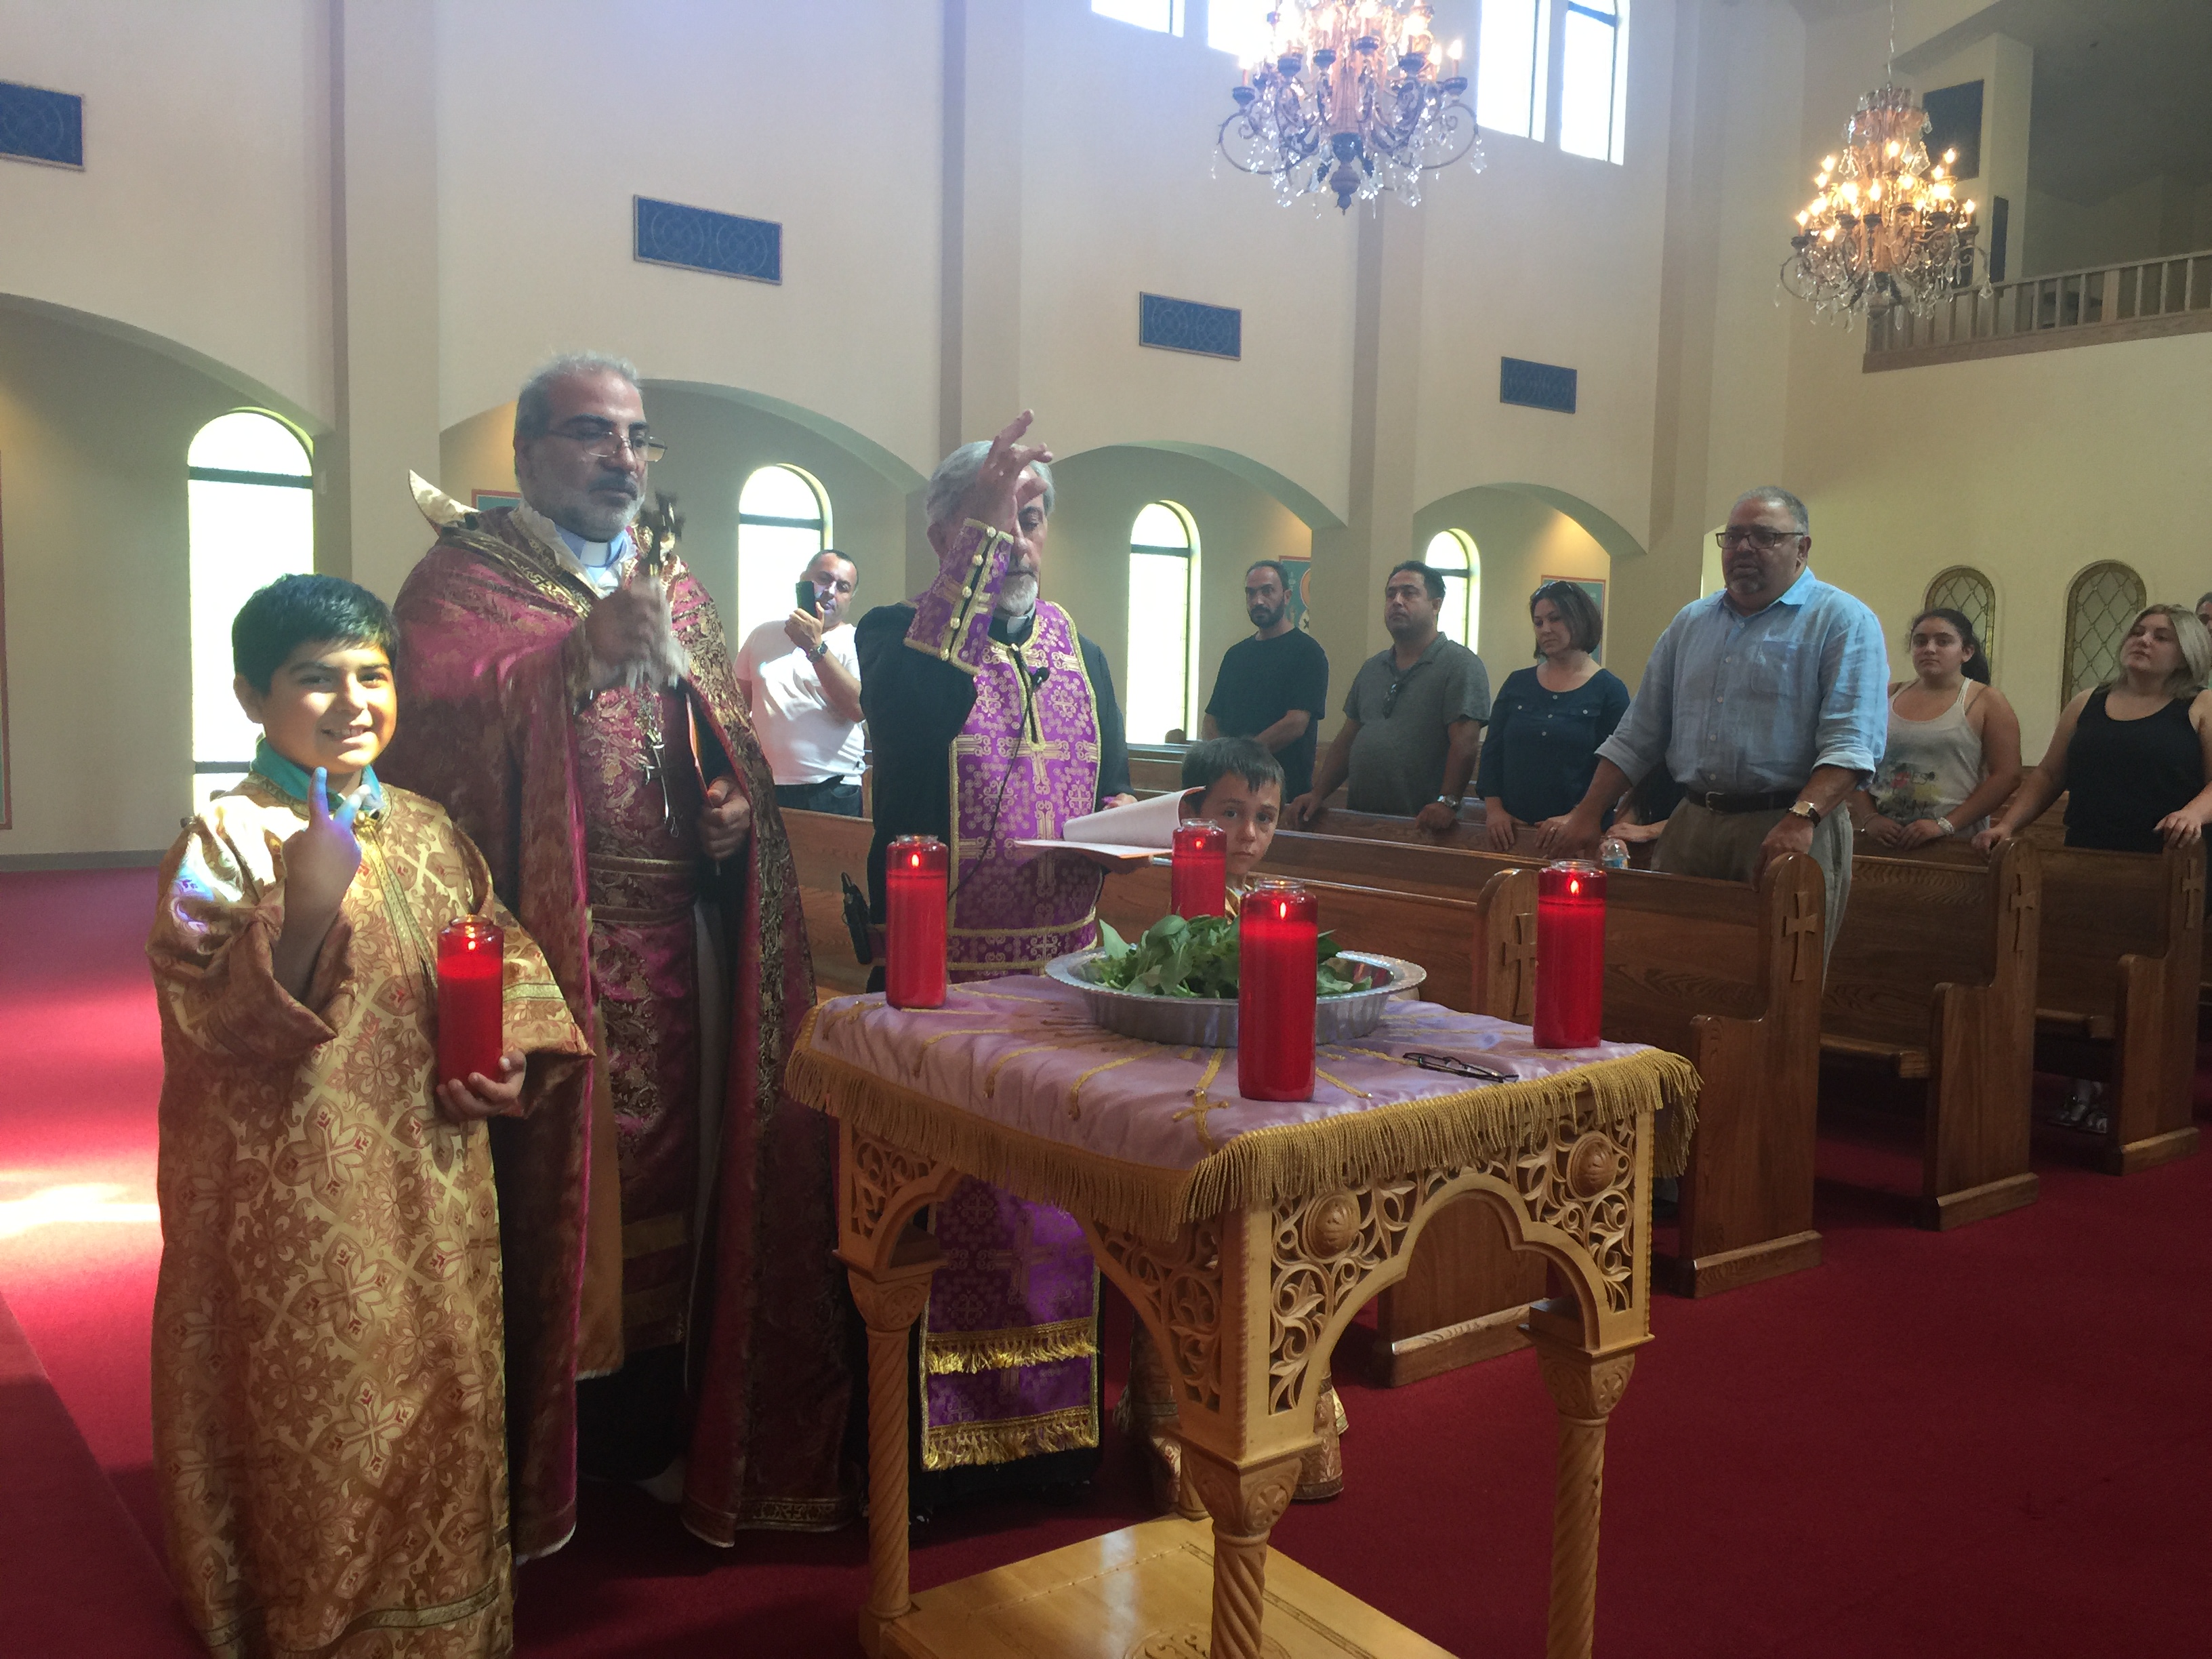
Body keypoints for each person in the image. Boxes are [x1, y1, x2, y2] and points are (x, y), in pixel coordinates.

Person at [379, 352, 854, 1554]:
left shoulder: (675, 587)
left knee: (686, 1190)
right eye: (592, 434)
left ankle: (659, 1416)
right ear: (528, 452)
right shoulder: (463, 578)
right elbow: (426, 729)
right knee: (559, 1192)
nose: (621, 458)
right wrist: (571, 661)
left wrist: (731, 808)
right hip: (550, 950)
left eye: (637, 438)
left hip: (683, 946)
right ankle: (548, 1442)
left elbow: (718, 740)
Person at [149, 575, 591, 1658]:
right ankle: (314, 1625)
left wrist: (508, 1065)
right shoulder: (224, 837)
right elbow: (211, 1018)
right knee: (332, 1407)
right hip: (296, 1195)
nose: (353, 702)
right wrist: (306, 904)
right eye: (316, 679)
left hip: (436, 1178)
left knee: (444, 1384)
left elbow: (502, 956)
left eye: (373, 676)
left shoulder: (431, 830)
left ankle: (451, 1616)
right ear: (252, 697)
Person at [855, 411, 1134, 1507]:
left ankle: (1056, 1450)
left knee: (1055, 1220)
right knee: (957, 1221)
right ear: (944, 534)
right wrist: (972, 561)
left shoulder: (1081, 649)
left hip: (1063, 989)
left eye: (1031, 517)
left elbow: (1108, 784)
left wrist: (1125, 833)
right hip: (948, 993)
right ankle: (940, 1472)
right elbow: (915, 716)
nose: (1018, 542)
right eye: (990, 521)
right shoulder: (897, 637)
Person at [1552, 487, 1888, 962]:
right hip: (1692, 822)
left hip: (1786, 824)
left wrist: (1802, 817)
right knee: (1670, 967)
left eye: (1765, 537)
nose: (1744, 548)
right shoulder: (1691, 623)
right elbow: (1639, 733)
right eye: (1734, 537)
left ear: (1803, 548)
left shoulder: (1842, 621)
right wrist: (1587, 813)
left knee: (1781, 974)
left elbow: (1851, 742)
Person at [1975, 605, 2212, 856]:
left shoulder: (2202, 705)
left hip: (2170, 854)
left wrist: (2192, 814)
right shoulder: (2086, 702)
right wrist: (2008, 825)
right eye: (2137, 633)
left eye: (2161, 637)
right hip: (2086, 849)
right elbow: (2049, 775)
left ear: (2185, 655)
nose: (2144, 640)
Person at [1286, 561, 1491, 830]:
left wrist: (1447, 802)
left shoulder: (1460, 665)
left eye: (1409, 593)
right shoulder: (1373, 668)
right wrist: (1318, 793)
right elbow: (1348, 739)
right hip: (1363, 820)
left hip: (1425, 825)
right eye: (1390, 594)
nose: (1397, 601)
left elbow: (1465, 743)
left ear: (1436, 605)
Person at [1847, 608, 2022, 848]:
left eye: (1943, 641)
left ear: (1967, 652)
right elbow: (1852, 759)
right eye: (1920, 642)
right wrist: (1870, 817)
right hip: (1883, 839)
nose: (1929, 649)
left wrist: (1945, 825)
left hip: (1953, 842)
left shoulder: (1986, 701)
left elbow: (2007, 776)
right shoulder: (1885, 696)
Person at [1477, 581, 1631, 851]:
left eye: (1555, 619)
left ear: (1579, 619)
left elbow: (1614, 768)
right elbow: (1492, 753)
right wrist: (1494, 810)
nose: (1545, 629)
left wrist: (1577, 816)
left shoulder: (1609, 690)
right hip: (1512, 831)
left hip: (1576, 834)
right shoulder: (1517, 683)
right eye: (1538, 623)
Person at [735, 548, 867, 817]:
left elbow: (858, 708)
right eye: (824, 579)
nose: (830, 591)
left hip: (832, 788)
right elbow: (734, 707)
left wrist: (814, 647)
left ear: (851, 597)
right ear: (803, 580)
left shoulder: (857, 642)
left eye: (843, 587)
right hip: (766, 784)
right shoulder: (763, 634)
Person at [1201, 560, 1330, 800]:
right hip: (1230, 788)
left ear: (1287, 596)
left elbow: (1295, 723)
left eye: (1267, 591)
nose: (1258, 600)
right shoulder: (1235, 655)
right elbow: (1212, 718)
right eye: (1251, 593)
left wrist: (1241, 759)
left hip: (1282, 792)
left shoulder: (1308, 653)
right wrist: (1220, 759)